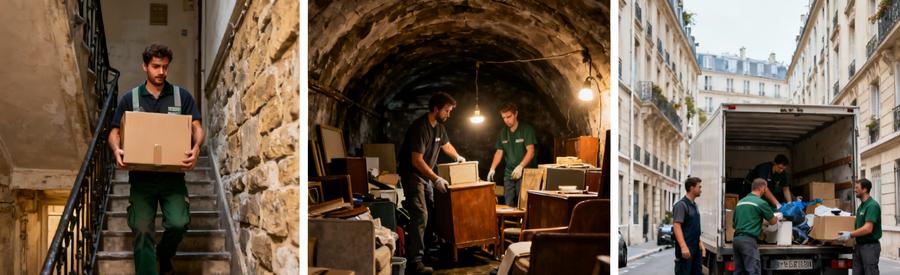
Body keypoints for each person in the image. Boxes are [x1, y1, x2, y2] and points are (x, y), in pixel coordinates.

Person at [107, 44, 203, 275]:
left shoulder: (182, 96)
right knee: (141, 229)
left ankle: (164, 253)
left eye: (165, 67)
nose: (161, 72)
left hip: (172, 176)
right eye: (156, 66)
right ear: (145, 66)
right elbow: (114, 132)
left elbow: (197, 127)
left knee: (179, 223)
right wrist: (116, 150)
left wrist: (197, 147)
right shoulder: (131, 98)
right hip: (142, 178)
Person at [397, 92, 466, 274]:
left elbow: (446, 145)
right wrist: (435, 178)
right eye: (446, 110)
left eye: (450, 111)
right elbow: (416, 160)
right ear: (435, 109)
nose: (448, 114)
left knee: (432, 212)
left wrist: (457, 156)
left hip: (425, 176)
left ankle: (426, 251)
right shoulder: (420, 128)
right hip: (412, 175)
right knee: (420, 214)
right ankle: (415, 261)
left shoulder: (439, 128)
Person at [487, 103, 537, 207]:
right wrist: (492, 168)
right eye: (503, 118)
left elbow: (531, 151)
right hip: (509, 173)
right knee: (508, 203)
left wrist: (521, 166)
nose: (506, 120)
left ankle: (522, 223)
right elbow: (499, 152)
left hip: (525, 172)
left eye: (509, 116)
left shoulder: (526, 129)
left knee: (523, 203)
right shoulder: (503, 132)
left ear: (516, 114)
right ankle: (509, 223)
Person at [732, 178, 782, 275]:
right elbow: (772, 221)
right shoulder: (761, 203)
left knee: (739, 271)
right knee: (753, 271)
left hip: (736, 240)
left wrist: (758, 222)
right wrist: (777, 217)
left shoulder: (740, 202)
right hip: (748, 242)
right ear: (763, 188)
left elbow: (734, 224)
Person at [837, 179, 882, 275]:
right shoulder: (861, 207)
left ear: (865, 189)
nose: (854, 190)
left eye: (857, 187)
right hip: (859, 246)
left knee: (870, 272)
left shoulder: (872, 206)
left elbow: (868, 228)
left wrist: (850, 234)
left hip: (869, 247)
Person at [672, 177, 705, 275]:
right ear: (691, 188)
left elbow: (693, 227)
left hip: (695, 249)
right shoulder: (681, 205)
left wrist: (700, 243)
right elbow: (677, 226)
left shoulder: (694, 205)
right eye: (699, 187)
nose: (701, 190)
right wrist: (683, 247)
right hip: (686, 249)